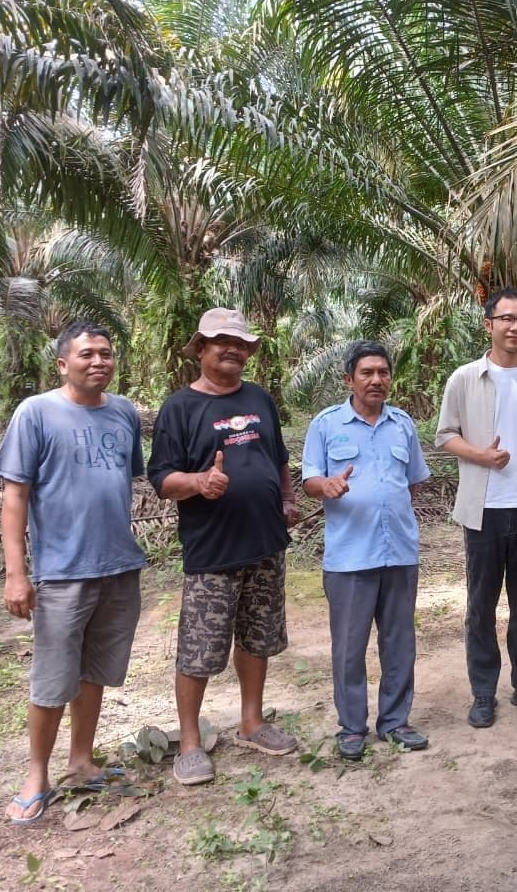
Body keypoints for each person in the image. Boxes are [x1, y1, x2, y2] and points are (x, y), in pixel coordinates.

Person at [0, 321, 146, 823]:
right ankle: (37, 774)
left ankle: (81, 761)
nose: (98, 361)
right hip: (61, 572)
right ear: (63, 363)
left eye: (105, 353)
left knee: (94, 671)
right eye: (86, 354)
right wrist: (17, 574)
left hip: (119, 566)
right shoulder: (35, 413)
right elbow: (15, 495)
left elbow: (124, 479)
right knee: (52, 679)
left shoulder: (124, 413)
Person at [148, 308, 300, 786]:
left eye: (240, 343)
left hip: (265, 544)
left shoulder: (260, 399)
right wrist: (199, 481)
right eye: (220, 341)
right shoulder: (179, 407)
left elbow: (277, 460)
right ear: (200, 348)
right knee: (199, 649)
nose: (231, 349)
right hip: (212, 551)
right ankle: (190, 743)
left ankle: (252, 722)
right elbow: (162, 479)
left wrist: (289, 498)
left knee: (258, 638)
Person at [436, 288, 517, 728]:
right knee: (481, 606)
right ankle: (483, 692)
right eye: (506, 318)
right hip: (484, 510)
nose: (515, 327)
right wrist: (480, 455)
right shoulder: (464, 378)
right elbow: (445, 435)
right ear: (488, 324)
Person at [302, 342, 431, 760]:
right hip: (350, 557)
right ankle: (352, 727)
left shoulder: (403, 425)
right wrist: (328, 486)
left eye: (383, 373)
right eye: (367, 373)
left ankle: (395, 722)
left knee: (399, 642)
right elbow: (309, 480)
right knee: (349, 646)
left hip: (399, 552)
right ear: (349, 379)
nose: (376, 380)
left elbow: (413, 481)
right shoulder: (326, 425)